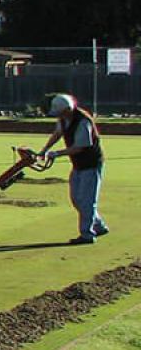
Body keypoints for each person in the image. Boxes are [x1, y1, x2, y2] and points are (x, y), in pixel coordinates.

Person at [38, 93, 107, 244]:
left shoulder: (83, 121)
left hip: (91, 164)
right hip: (78, 164)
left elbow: (81, 147)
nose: (59, 116)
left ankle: (87, 235)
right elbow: (57, 134)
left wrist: (57, 153)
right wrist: (44, 150)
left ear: (67, 109)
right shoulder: (64, 119)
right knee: (76, 199)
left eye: (61, 113)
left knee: (87, 201)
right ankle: (99, 226)